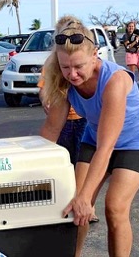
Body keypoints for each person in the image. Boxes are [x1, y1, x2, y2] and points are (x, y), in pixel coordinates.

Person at [40, 15, 139, 257]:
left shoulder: (114, 80)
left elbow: (107, 146)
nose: (72, 74)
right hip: (95, 137)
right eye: (65, 67)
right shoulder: (63, 83)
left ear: (95, 55)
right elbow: (51, 132)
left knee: (114, 207)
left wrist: (86, 197)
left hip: (136, 140)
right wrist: (32, 170)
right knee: (75, 207)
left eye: (78, 66)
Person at [38, 66, 99, 224]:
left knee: (83, 163)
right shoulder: (52, 66)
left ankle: (89, 207)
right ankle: (65, 204)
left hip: (82, 119)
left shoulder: (86, 67)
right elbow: (43, 88)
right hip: (62, 121)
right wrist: (46, 101)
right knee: (65, 163)